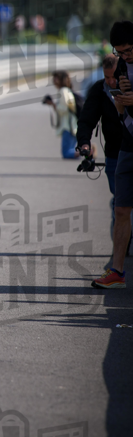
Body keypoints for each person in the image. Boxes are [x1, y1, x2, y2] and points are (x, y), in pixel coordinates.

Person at [91, 21, 133, 289]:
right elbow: (123, 110)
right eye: (120, 52)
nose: (125, 56)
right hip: (129, 142)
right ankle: (117, 270)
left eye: (128, 50)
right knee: (120, 208)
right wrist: (121, 106)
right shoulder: (120, 66)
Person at [77, 55, 122, 233]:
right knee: (119, 200)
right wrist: (84, 144)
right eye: (107, 77)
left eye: (114, 77)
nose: (111, 81)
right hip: (113, 153)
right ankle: (121, 243)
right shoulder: (99, 90)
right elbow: (86, 120)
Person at [42, 71, 79, 158]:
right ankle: (86, 150)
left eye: (57, 78)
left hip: (68, 126)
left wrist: (53, 104)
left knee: (66, 153)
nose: (54, 80)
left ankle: (88, 152)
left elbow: (64, 109)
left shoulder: (63, 91)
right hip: (73, 125)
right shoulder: (68, 90)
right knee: (71, 150)